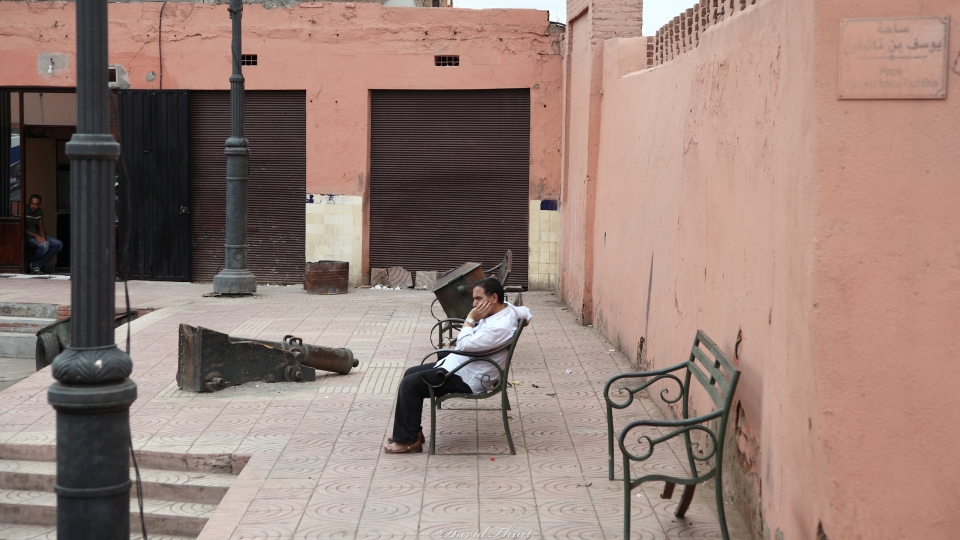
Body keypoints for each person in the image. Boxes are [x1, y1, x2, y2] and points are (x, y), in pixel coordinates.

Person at [384, 277, 532, 454]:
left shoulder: (498, 328)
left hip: (468, 377)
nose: (474, 303)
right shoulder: (506, 310)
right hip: (464, 364)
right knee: (411, 372)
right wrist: (527, 317)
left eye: (478, 298)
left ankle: (408, 441)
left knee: (410, 384)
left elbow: (462, 345)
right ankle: (411, 431)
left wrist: (470, 318)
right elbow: (525, 311)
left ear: (493, 298)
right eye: (474, 298)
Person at [25, 194, 63, 275]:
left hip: (37, 234)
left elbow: (41, 227)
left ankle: (35, 265)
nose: (33, 206)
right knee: (45, 245)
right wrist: (36, 236)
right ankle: (29, 264)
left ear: (39, 204)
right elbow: (21, 229)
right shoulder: (24, 209)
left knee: (58, 244)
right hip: (28, 236)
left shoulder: (40, 211)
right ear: (29, 202)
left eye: (36, 204)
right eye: (32, 203)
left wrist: (43, 238)